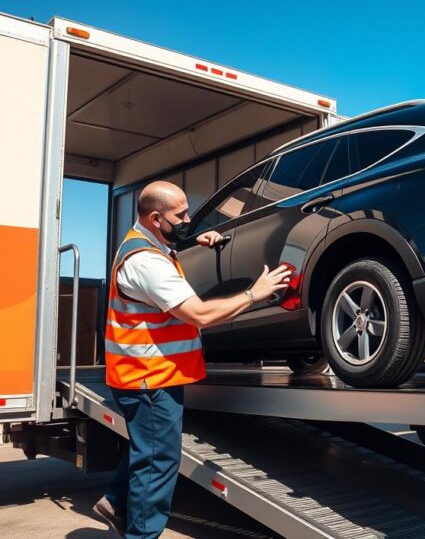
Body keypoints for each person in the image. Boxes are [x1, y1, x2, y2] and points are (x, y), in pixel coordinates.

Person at [94, 180, 291, 538]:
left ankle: (114, 499)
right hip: (150, 379)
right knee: (159, 463)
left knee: (149, 449)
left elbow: (168, 247)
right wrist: (254, 293)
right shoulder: (146, 263)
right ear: (156, 219)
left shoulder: (146, 242)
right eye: (180, 215)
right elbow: (199, 314)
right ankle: (141, 534)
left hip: (142, 375)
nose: (188, 219)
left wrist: (190, 240)